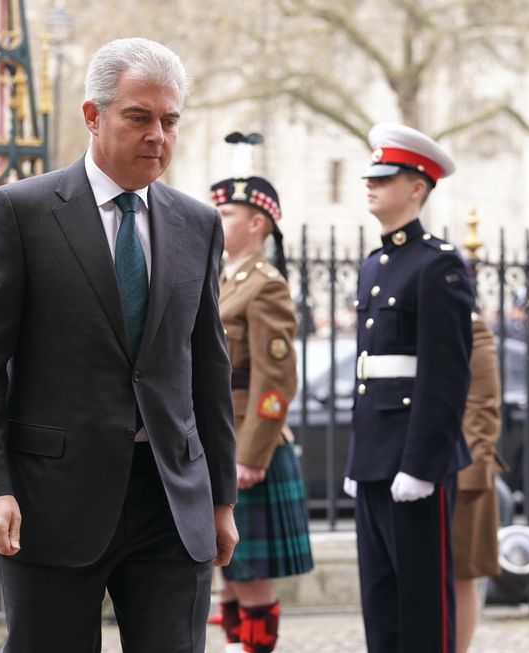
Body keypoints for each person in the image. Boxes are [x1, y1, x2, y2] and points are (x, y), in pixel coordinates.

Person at [0, 37, 238, 653]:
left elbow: (207, 369)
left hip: (170, 500)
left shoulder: (198, 223)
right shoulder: (20, 212)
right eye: (139, 117)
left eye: (169, 120)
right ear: (93, 115)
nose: (157, 134)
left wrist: (220, 500)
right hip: (50, 503)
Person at [342, 123, 474, 653]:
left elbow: (446, 376)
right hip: (374, 459)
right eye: (370, 176)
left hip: (414, 462)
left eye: (385, 176)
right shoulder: (374, 264)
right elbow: (366, 371)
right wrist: (357, 461)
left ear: (418, 186)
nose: (370, 185)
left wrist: (421, 465)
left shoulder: (438, 264)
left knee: (422, 607)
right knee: (381, 605)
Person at [207, 169, 313, 652]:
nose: (217, 219)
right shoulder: (223, 278)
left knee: (250, 577)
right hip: (218, 439)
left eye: (227, 213)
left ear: (257, 224)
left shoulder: (264, 285)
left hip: (249, 449)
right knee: (226, 572)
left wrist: (251, 454)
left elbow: (276, 381)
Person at [453, 310, 505, 653]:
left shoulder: (469, 324)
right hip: (421, 467)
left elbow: (483, 405)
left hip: (464, 474)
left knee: (460, 576)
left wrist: (470, 475)